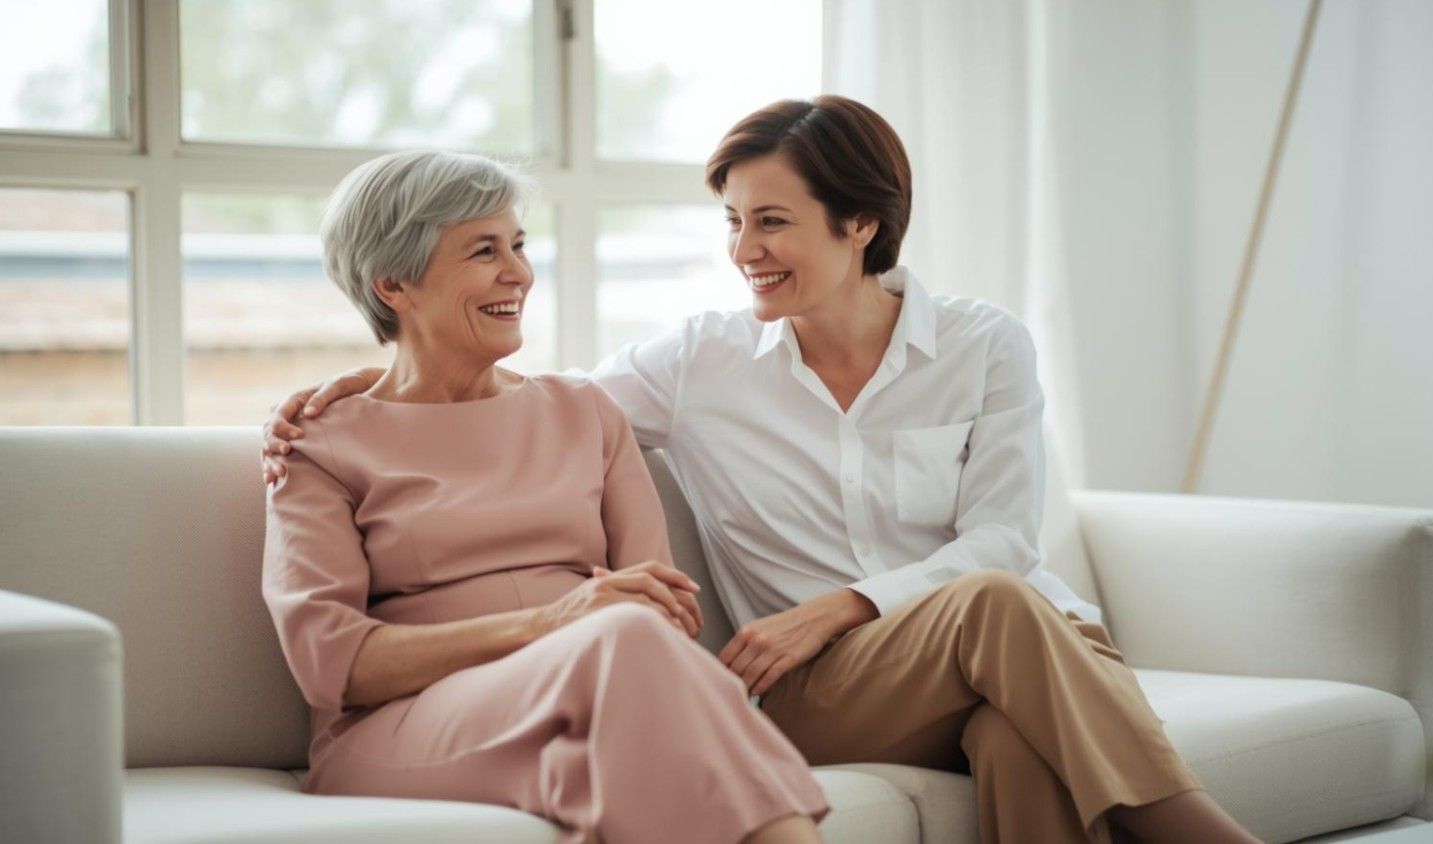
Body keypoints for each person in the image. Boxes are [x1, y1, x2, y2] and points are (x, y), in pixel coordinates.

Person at [263, 97, 1260, 844]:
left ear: (859, 224)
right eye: (734, 222)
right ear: (394, 284)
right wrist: (376, 374)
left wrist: (839, 605)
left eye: (771, 221)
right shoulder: (693, 363)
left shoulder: (984, 343)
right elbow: (490, 410)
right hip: (796, 687)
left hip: (983, 647)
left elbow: (999, 537)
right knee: (993, 610)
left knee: (1010, 708)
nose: (744, 249)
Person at [260, 149, 828, 844]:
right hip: (403, 722)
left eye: (518, 244)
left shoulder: (584, 410)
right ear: (394, 287)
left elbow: (665, 610)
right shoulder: (315, 443)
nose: (518, 273)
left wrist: (580, 628)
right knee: (624, 641)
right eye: (483, 251)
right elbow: (333, 666)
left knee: (613, 752)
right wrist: (550, 624)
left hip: (589, 696)